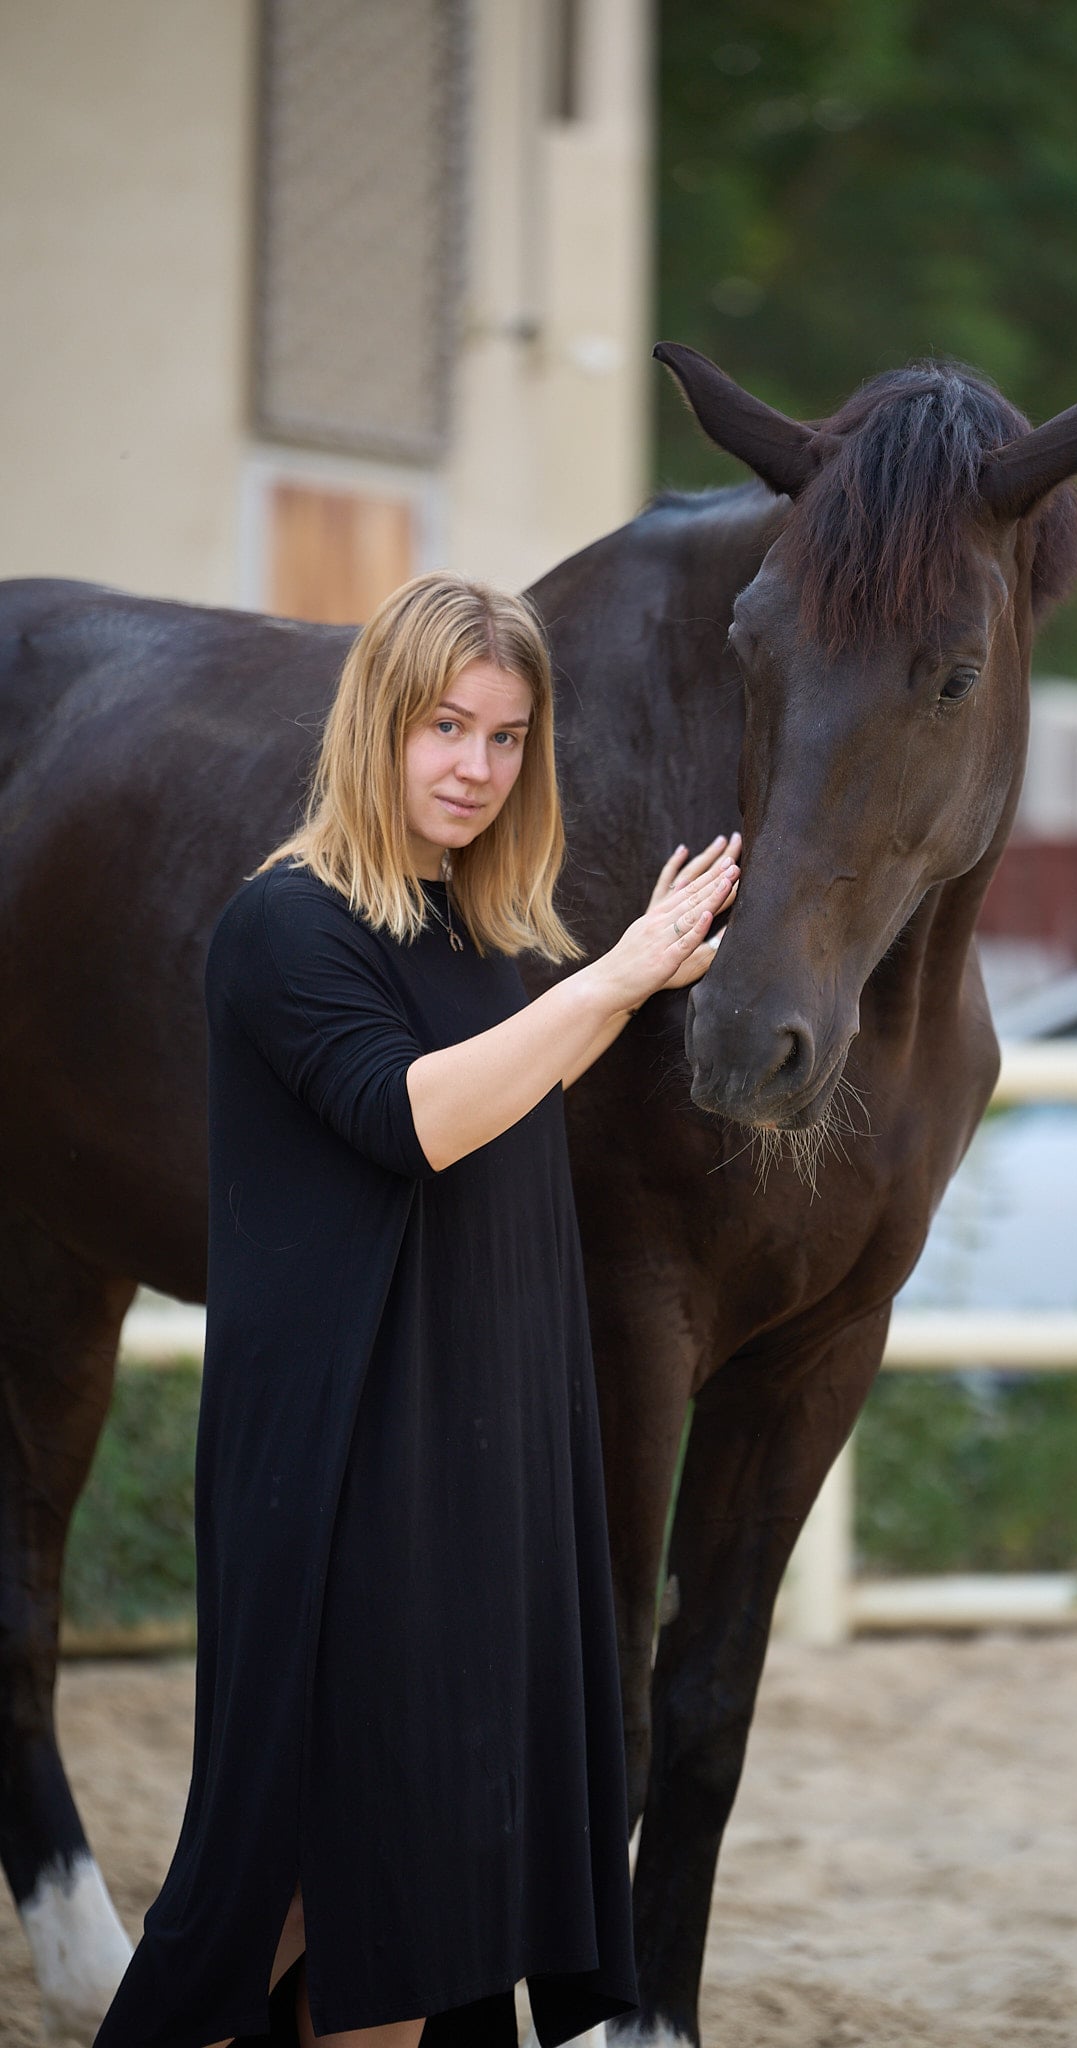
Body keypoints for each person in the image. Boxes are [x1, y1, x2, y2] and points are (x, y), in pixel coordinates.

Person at [92, 571, 740, 2048]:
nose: (474, 767)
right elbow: (412, 1122)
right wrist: (627, 975)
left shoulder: (485, 942)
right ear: (374, 723)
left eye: (507, 739)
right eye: (444, 726)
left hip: (469, 1474)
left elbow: (507, 1143)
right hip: (336, 1477)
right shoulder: (284, 927)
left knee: (425, 1907)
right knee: (292, 1891)